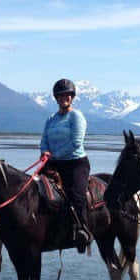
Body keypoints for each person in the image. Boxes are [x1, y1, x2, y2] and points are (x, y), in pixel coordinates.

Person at [39, 78, 91, 252]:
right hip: (53, 164)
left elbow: (76, 143)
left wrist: (54, 156)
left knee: (77, 194)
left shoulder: (76, 116)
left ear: (72, 97)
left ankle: (82, 229)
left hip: (76, 164)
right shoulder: (51, 119)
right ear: (56, 98)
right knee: (36, 191)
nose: (64, 98)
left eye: (67, 95)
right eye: (61, 95)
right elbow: (44, 139)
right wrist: (45, 152)